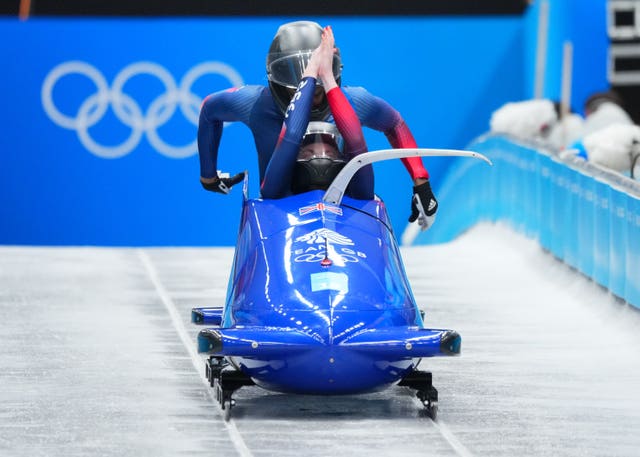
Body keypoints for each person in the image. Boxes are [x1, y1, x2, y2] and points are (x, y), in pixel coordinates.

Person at [198, 20, 437, 229]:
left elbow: (393, 123)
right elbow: (209, 109)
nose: (313, 98)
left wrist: (421, 181)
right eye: (305, 91)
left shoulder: (353, 100)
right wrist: (207, 176)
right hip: (279, 207)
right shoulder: (255, 103)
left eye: (320, 90)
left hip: (346, 211)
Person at [260, 26, 372, 199]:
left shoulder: (361, 193)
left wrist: (325, 75)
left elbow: (356, 143)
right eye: (309, 154)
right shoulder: (275, 193)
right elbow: (293, 133)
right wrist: (315, 69)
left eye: (329, 154)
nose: (320, 158)